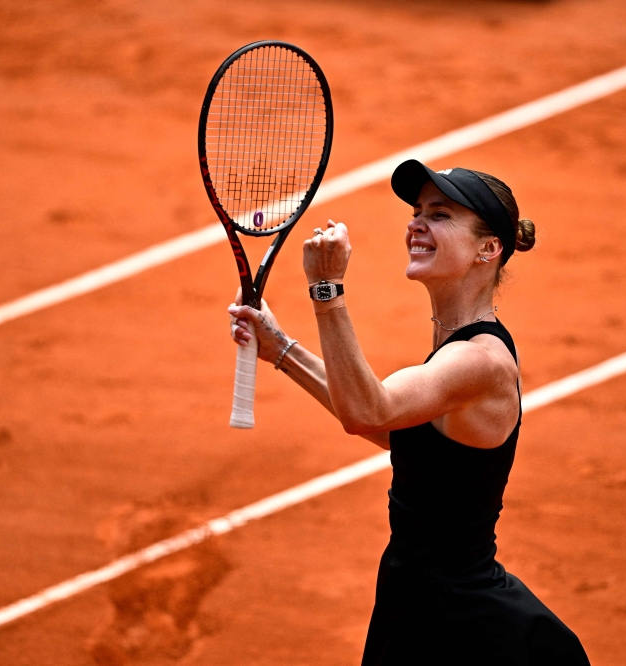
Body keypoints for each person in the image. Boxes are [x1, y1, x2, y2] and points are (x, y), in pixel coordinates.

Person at [227, 159, 590, 665]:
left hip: (464, 628)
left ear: (489, 249)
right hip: (418, 602)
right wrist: (282, 349)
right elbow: (396, 431)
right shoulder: (455, 350)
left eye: (440, 215)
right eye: (418, 211)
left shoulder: (478, 361)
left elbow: (367, 411)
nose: (416, 223)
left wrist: (326, 289)